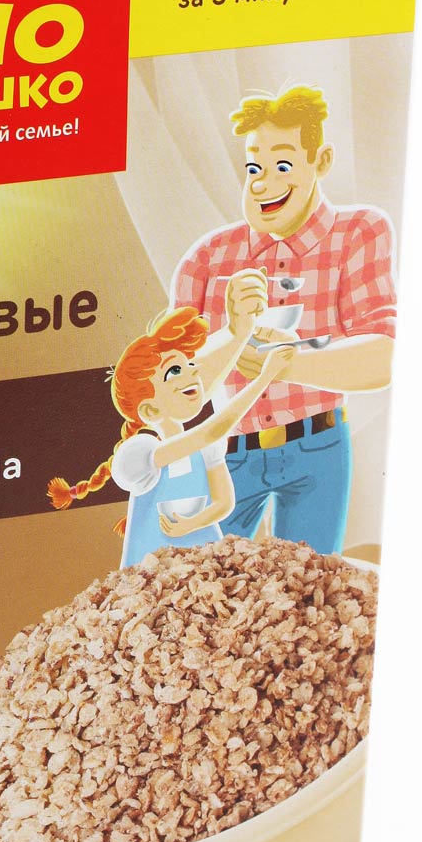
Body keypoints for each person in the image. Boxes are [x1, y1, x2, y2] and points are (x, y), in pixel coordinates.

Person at [171, 85, 397, 555]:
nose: (262, 183)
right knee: (199, 576)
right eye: (254, 168)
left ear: (321, 160)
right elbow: (177, 396)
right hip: (228, 453)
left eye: (282, 166)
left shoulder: (358, 232)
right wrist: (233, 334)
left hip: (319, 446)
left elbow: (382, 357)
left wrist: (287, 362)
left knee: (309, 582)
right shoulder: (209, 258)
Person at [47, 305, 293, 567]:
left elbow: (224, 502)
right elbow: (212, 431)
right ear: (150, 409)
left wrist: (192, 524)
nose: (193, 371)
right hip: (152, 575)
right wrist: (265, 377)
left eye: (189, 364)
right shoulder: (140, 453)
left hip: (205, 566)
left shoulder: (206, 449)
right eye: (174, 371)